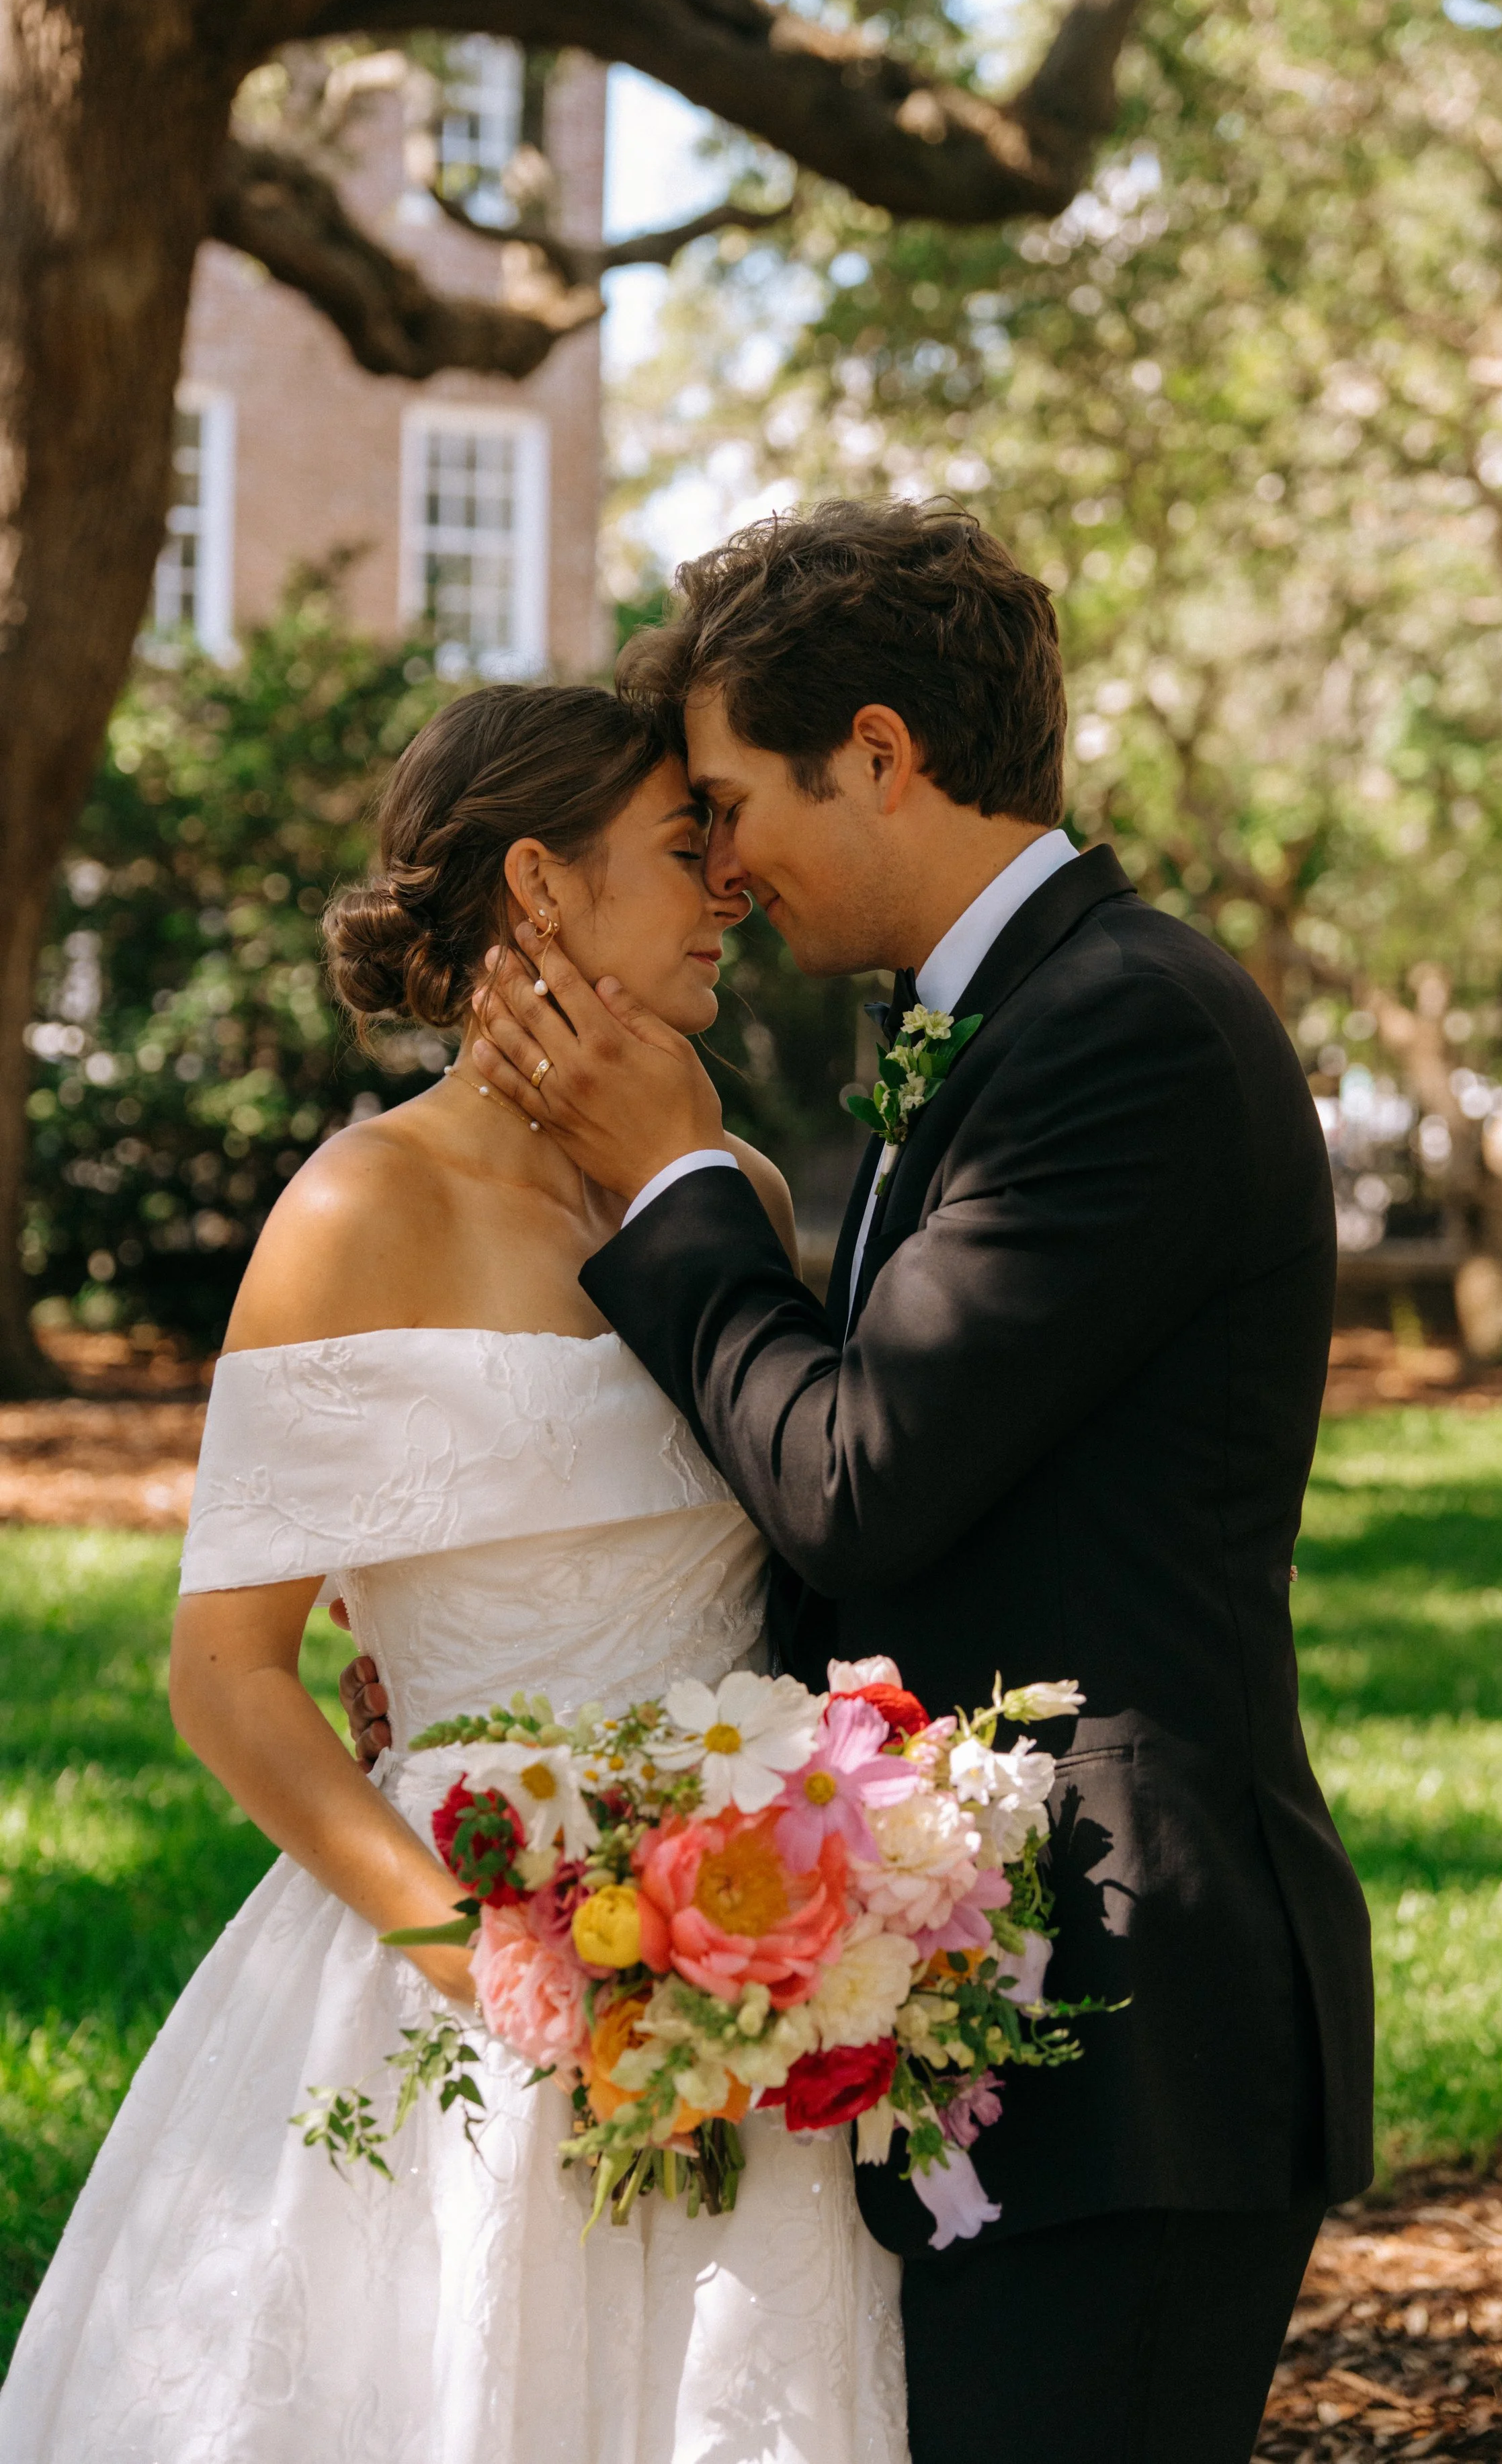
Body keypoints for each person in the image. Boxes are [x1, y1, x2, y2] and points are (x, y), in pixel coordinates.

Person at [409, 499, 1377, 2464]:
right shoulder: (997, 1023)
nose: (719, 861)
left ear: (874, 752)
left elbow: (855, 1478)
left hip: (1127, 2026)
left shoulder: (1127, 1027)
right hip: (982, 1999)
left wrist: (674, 1182)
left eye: (726, 797)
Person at [0, 684, 909, 2464]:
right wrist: (484, 1963)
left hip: (742, 1959)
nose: (731, 887)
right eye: (680, 848)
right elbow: (227, 1674)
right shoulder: (360, 1207)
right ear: (538, 887)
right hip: (464, 1957)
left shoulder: (725, 1182)